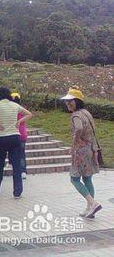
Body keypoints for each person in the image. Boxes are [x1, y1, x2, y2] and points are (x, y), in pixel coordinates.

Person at [61, 87, 102, 218]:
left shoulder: (76, 115)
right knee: (87, 178)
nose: (68, 104)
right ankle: (90, 210)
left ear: (77, 101)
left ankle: (92, 203)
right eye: (67, 102)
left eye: (71, 101)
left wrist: (73, 145)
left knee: (74, 179)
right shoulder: (86, 113)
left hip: (80, 151)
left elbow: (78, 128)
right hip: (91, 148)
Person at [0, 87, 32, 199]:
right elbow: (29, 114)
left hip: (1, 138)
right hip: (15, 137)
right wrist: (19, 121)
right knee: (16, 165)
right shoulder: (15, 105)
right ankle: (17, 192)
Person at [12, 92, 28, 179]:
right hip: (22, 134)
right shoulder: (22, 109)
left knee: (12, 151)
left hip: (14, 133)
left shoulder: (11, 109)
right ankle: (23, 171)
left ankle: (14, 166)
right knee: (22, 153)